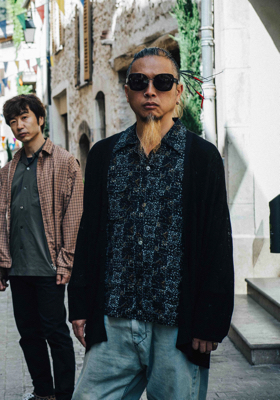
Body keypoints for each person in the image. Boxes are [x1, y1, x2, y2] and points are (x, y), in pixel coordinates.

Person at [69, 47, 234, 400]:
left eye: (162, 82)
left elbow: (217, 242)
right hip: (114, 320)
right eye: (139, 82)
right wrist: (80, 305)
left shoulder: (202, 157)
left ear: (178, 91)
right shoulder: (103, 155)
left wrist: (210, 320)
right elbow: (90, 234)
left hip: (176, 325)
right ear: (128, 91)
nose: (150, 91)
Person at [0, 94, 84, 400]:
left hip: (49, 268)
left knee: (55, 334)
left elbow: (74, 215)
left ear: (41, 119)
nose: (19, 125)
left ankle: (64, 394)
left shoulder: (65, 162)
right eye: (13, 121)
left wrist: (66, 261)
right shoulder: (8, 170)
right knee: (28, 335)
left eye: (25, 117)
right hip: (18, 269)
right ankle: (43, 393)